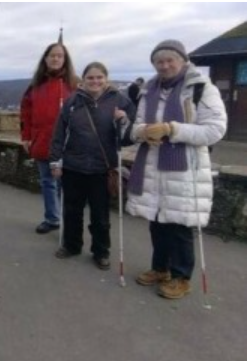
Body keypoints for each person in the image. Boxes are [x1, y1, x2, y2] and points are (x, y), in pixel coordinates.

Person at [124, 40, 226, 299]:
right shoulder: (149, 89)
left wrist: (172, 129)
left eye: (170, 60)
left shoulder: (201, 88)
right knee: (157, 220)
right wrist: (144, 132)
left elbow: (215, 130)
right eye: (159, 61)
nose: (165, 65)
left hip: (184, 168)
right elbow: (136, 126)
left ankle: (181, 277)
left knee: (180, 225)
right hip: (153, 164)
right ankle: (161, 269)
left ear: (183, 60)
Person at [49, 62, 136, 270]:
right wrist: (55, 161)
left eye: (99, 77)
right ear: (83, 80)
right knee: (72, 211)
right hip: (73, 166)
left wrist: (124, 122)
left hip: (102, 168)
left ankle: (101, 251)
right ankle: (72, 245)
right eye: (90, 78)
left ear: (106, 79)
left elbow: (129, 137)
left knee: (100, 214)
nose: (95, 81)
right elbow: (59, 134)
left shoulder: (120, 101)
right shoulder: (72, 102)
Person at [20, 42, 79, 234]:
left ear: (65, 60)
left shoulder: (74, 85)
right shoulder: (35, 86)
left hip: (69, 143)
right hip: (43, 140)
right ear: (45, 59)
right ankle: (52, 218)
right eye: (52, 55)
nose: (55, 59)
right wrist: (26, 137)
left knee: (67, 185)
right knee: (48, 182)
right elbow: (26, 114)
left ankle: (70, 223)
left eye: (59, 56)